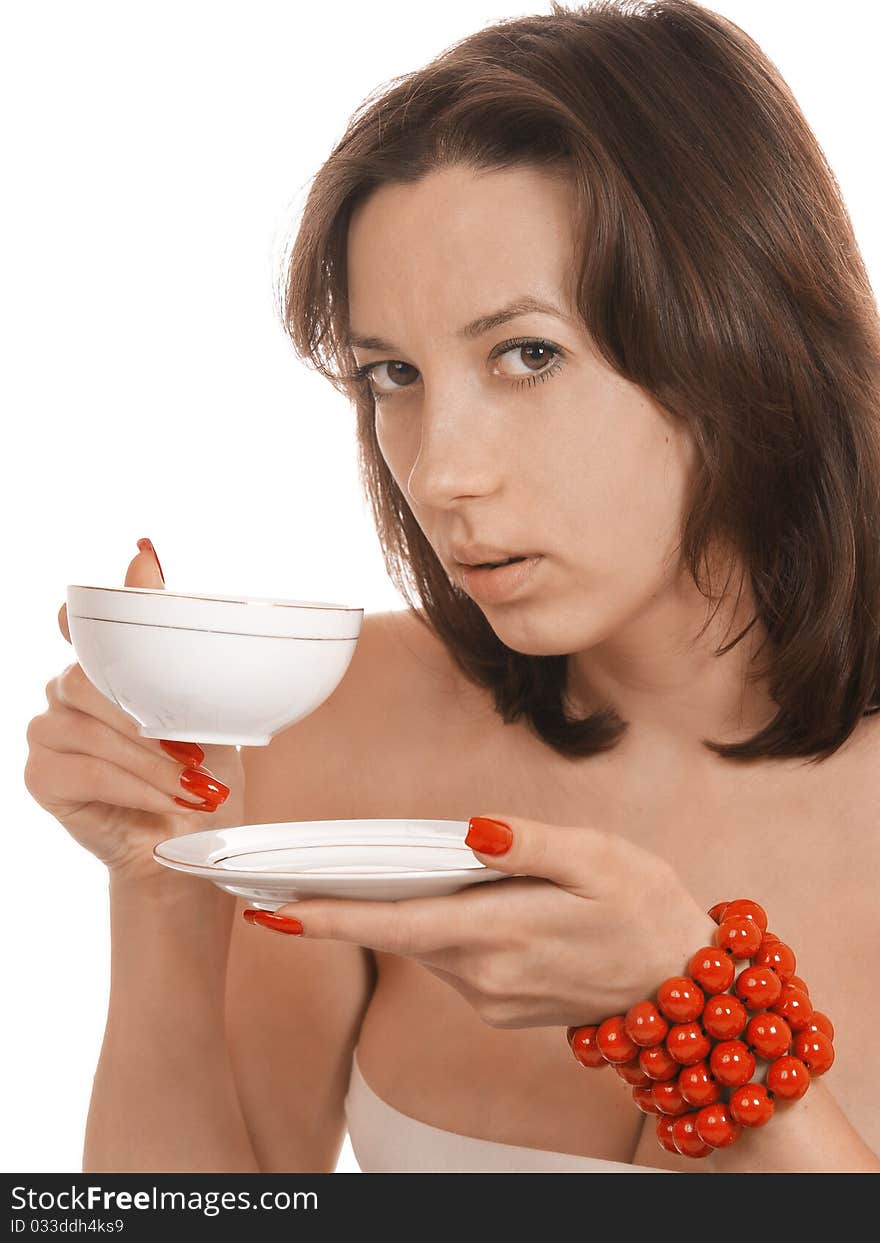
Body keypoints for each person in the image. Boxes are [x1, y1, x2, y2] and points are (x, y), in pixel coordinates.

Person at [24, 0, 880, 1173]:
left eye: (526, 354)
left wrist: (696, 1008)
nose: (438, 470)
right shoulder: (340, 730)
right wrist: (163, 887)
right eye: (392, 374)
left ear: (743, 339)